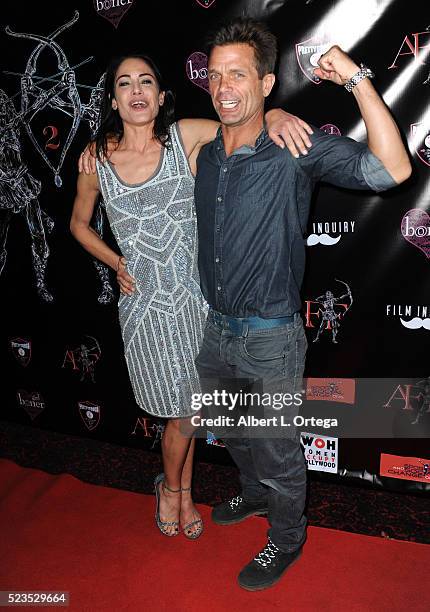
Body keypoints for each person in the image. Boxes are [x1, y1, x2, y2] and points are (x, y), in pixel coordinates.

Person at [193, 17, 411, 590]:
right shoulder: (207, 152)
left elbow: (394, 169)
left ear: (267, 83)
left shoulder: (294, 146)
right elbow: (148, 125)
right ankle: (253, 494)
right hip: (215, 332)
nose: (222, 87)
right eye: (214, 76)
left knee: (277, 449)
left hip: (269, 339)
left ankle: (287, 538)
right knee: (230, 430)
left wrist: (357, 80)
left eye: (237, 75)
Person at [72, 52, 314, 540]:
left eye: (146, 82)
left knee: (194, 410)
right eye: (124, 84)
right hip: (145, 310)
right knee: (177, 411)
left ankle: (175, 488)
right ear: (114, 99)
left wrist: (275, 113)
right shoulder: (96, 158)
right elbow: (78, 224)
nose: (136, 91)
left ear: (161, 97)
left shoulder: (183, 136)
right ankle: (175, 492)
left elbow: (239, 118)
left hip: (198, 304)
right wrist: (116, 261)